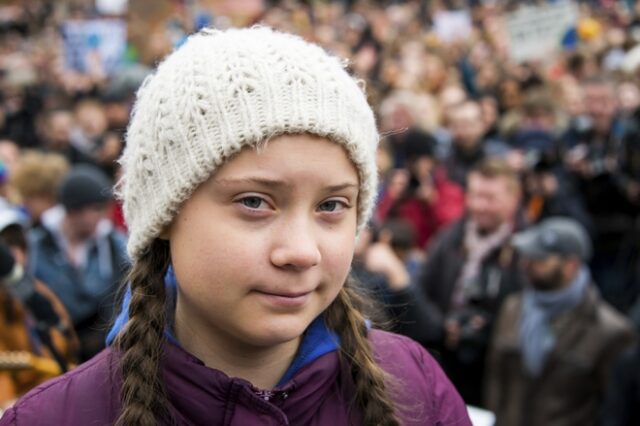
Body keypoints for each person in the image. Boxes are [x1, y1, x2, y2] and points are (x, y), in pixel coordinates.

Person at [0, 27, 471, 426]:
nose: (302, 251)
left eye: (331, 205)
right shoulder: (56, 416)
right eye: (254, 202)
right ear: (166, 214)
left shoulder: (415, 387)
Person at [485, 217, 636, 426]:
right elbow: (495, 380)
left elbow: (613, 409)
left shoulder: (611, 332)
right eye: (527, 256)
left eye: (540, 259)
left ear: (570, 266)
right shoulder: (512, 308)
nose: (526, 264)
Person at [418, 157, 527, 406]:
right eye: (475, 195)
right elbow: (423, 288)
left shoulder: (524, 252)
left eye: (490, 198)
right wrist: (444, 325)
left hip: (492, 374)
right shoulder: (450, 238)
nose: (479, 206)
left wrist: (487, 329)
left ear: (514, 199)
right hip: (443, 358)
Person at [27, 164, 128, 361]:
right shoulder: (36, 245)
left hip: (104, 350)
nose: (104, 216)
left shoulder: (115, 244)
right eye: (96, 209)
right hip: (53, 351)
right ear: (73, 210)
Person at [0, 201, 78, 408]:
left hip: (50, 394)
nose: (15, 256)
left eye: (18, 245)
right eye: (5, 249)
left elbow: (65, 343)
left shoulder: (37, 292)